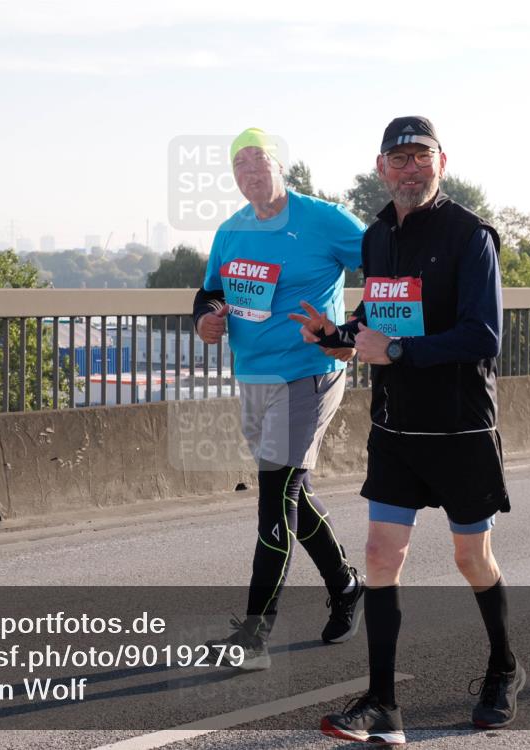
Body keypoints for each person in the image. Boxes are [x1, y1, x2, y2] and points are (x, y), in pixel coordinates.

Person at [292, 116, 525, 744]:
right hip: (396, 428)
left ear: (441, 162)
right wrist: (335, 336)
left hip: (459, 429)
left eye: (420, 156)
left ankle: (503, 667)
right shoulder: (375, 240)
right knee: (378, 555)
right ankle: (384, 706)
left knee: (470, 556)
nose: (409, 167)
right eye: (398, 158)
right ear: (380, 168)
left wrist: (395, 352)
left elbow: (484, 336)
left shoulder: (470, 235)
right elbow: (379, 319)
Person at [193, 128, 366, 670]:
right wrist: (205, 321)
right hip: (254, 377)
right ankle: (346, 585)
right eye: (239, 165)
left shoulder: (324, 219)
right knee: (292, 491)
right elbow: (212, 291)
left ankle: (253, 638)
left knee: (274, 498)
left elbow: (387, 262)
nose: (250, 172)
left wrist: (351, 330)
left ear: (279, 166)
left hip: (309, 373)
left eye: (258, 161)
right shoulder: (231, 230)